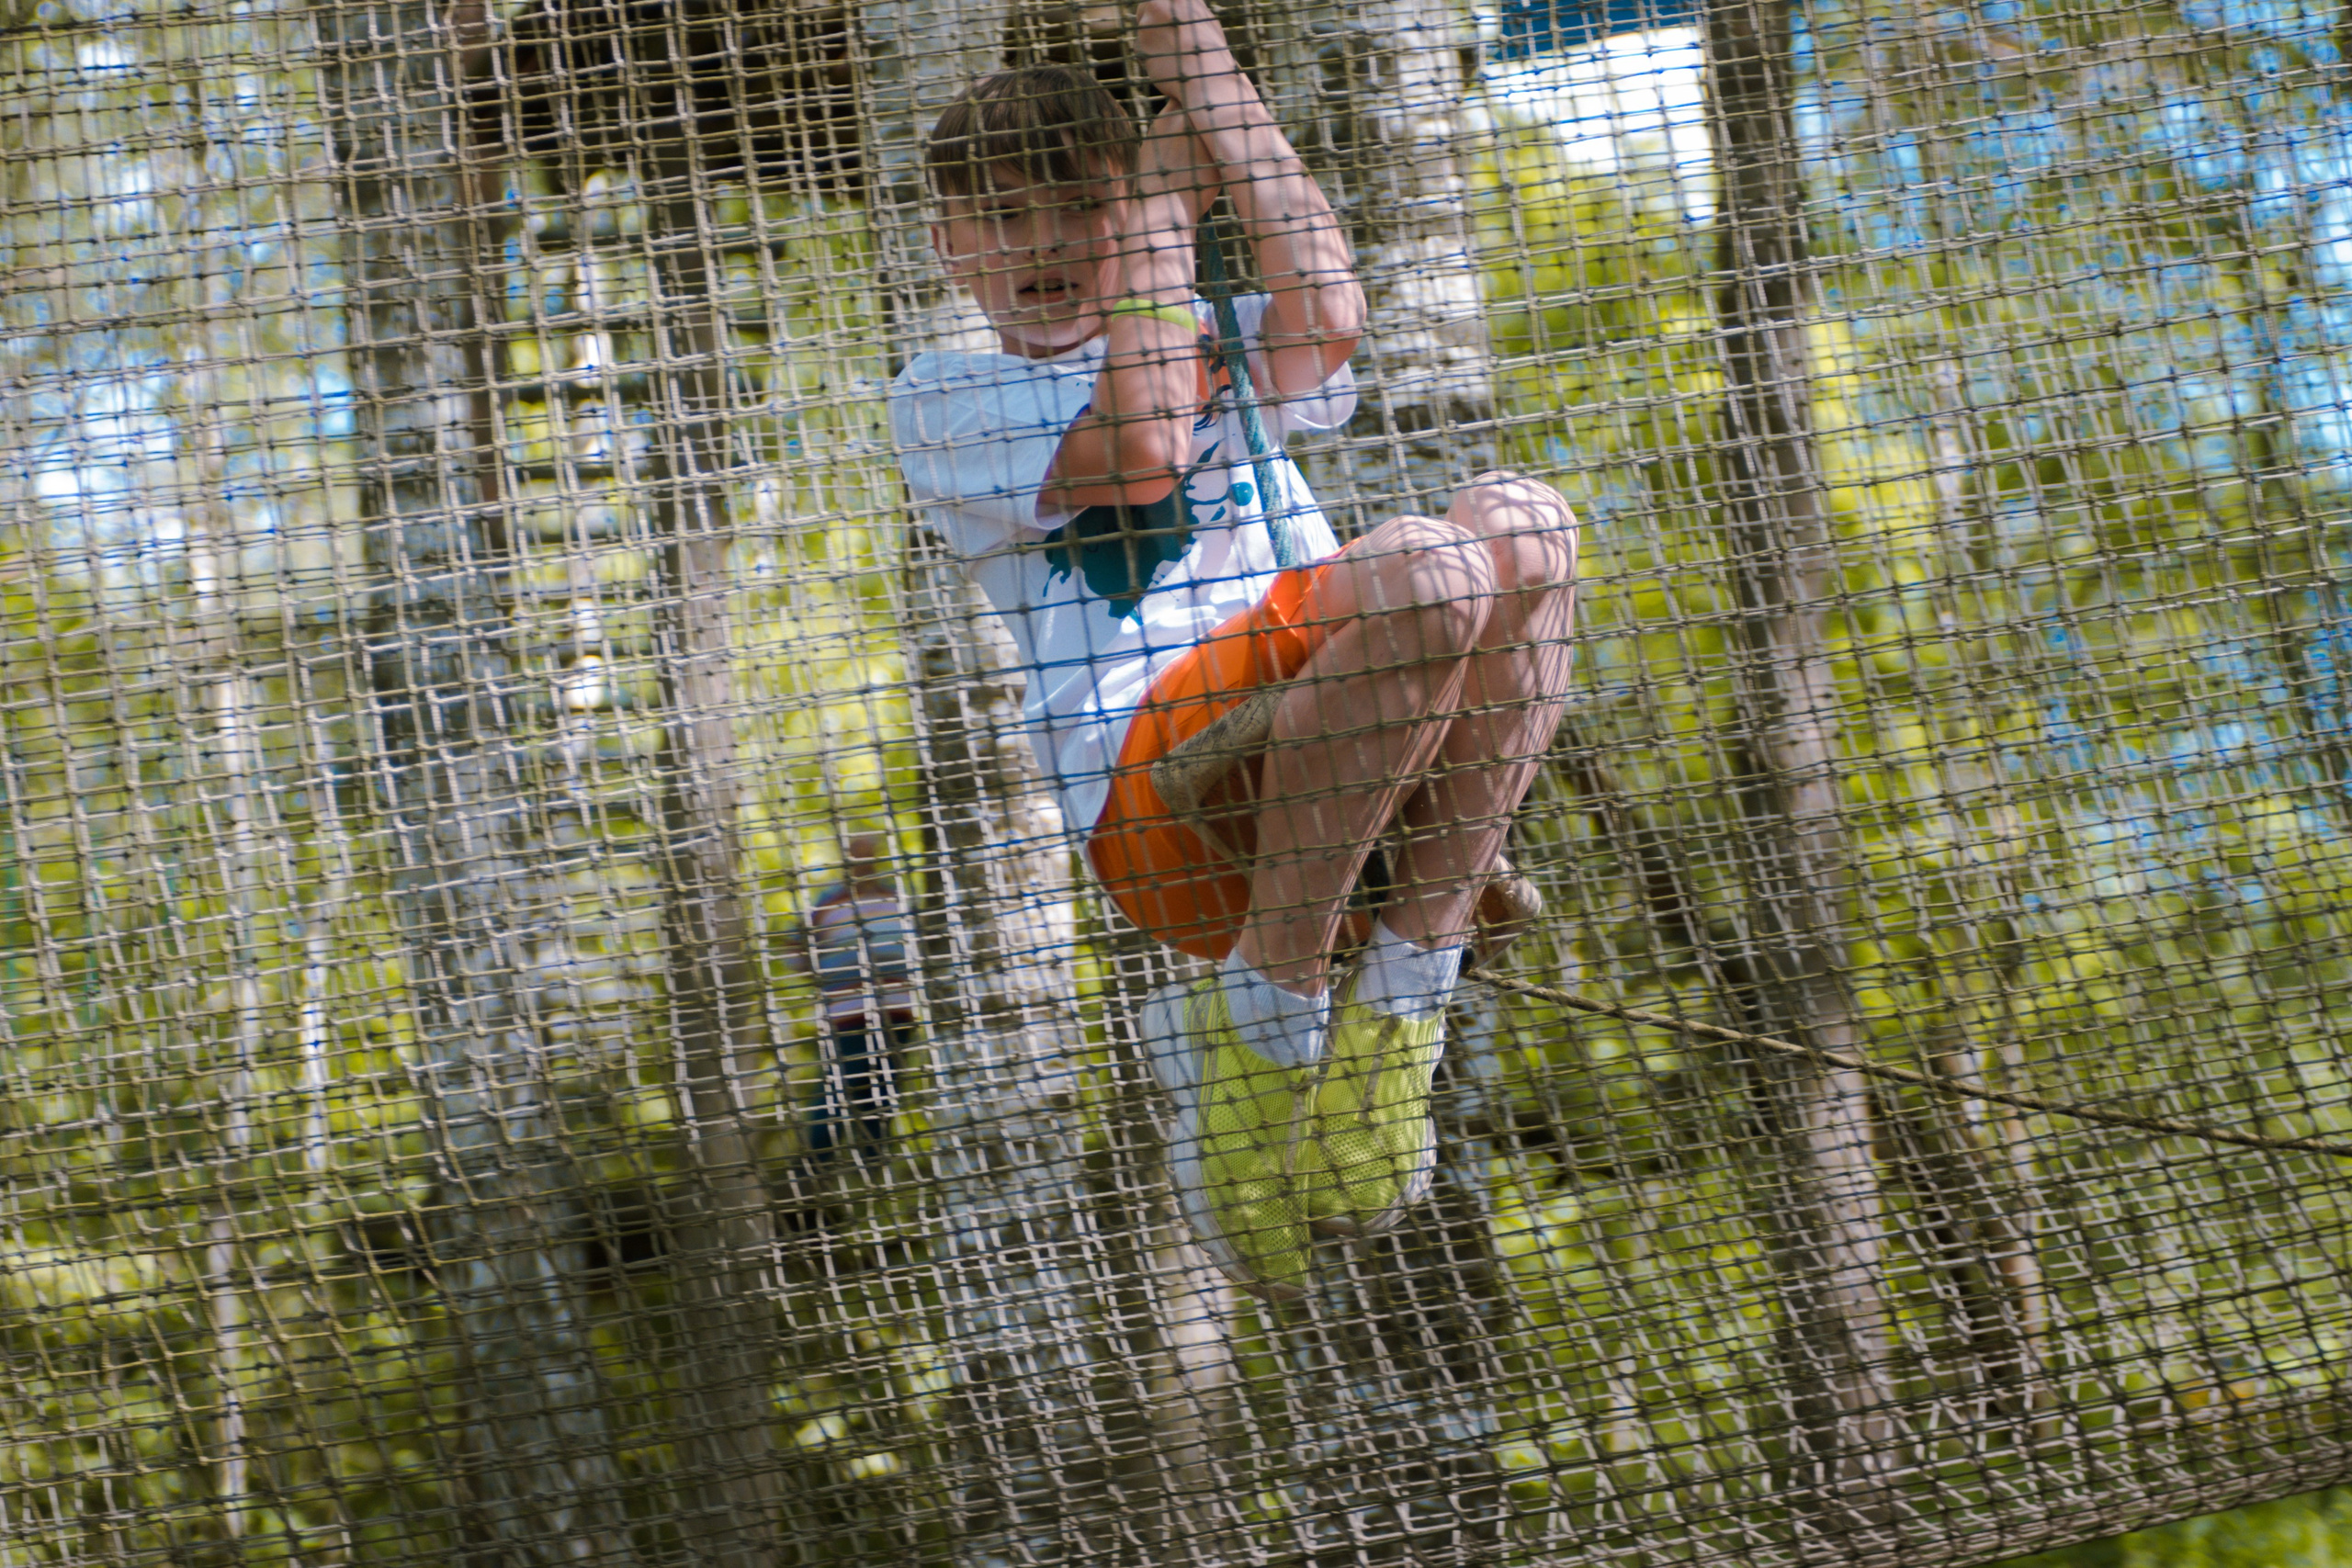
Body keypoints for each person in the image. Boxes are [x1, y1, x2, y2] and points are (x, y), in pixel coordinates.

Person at [887, 0, 1578, 1299]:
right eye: (1003, 217)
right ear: (950, 248)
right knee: (1425, 565)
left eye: (1077, 207)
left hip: (1343, 749)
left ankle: (1403, 998)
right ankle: (1262, 1015)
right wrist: (1154, 223)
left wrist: (1201, 71)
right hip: (1161, 795)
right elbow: (1142, 446)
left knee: (1528, 525)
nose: (1043, 243)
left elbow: (1328, 299)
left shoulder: (1218, 333)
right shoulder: (947, 397)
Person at [783, 834, 915, 1166]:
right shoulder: (827, 903)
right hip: (849, 1011)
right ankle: (815, 1163)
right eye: (855, 854)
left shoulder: (895, 898)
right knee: (842, 1084)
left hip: (896, 1009)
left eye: (867, 854)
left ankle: (872, 1162)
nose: (861, 861)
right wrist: (825, 977)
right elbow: (795, 947)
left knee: (883, 1087)